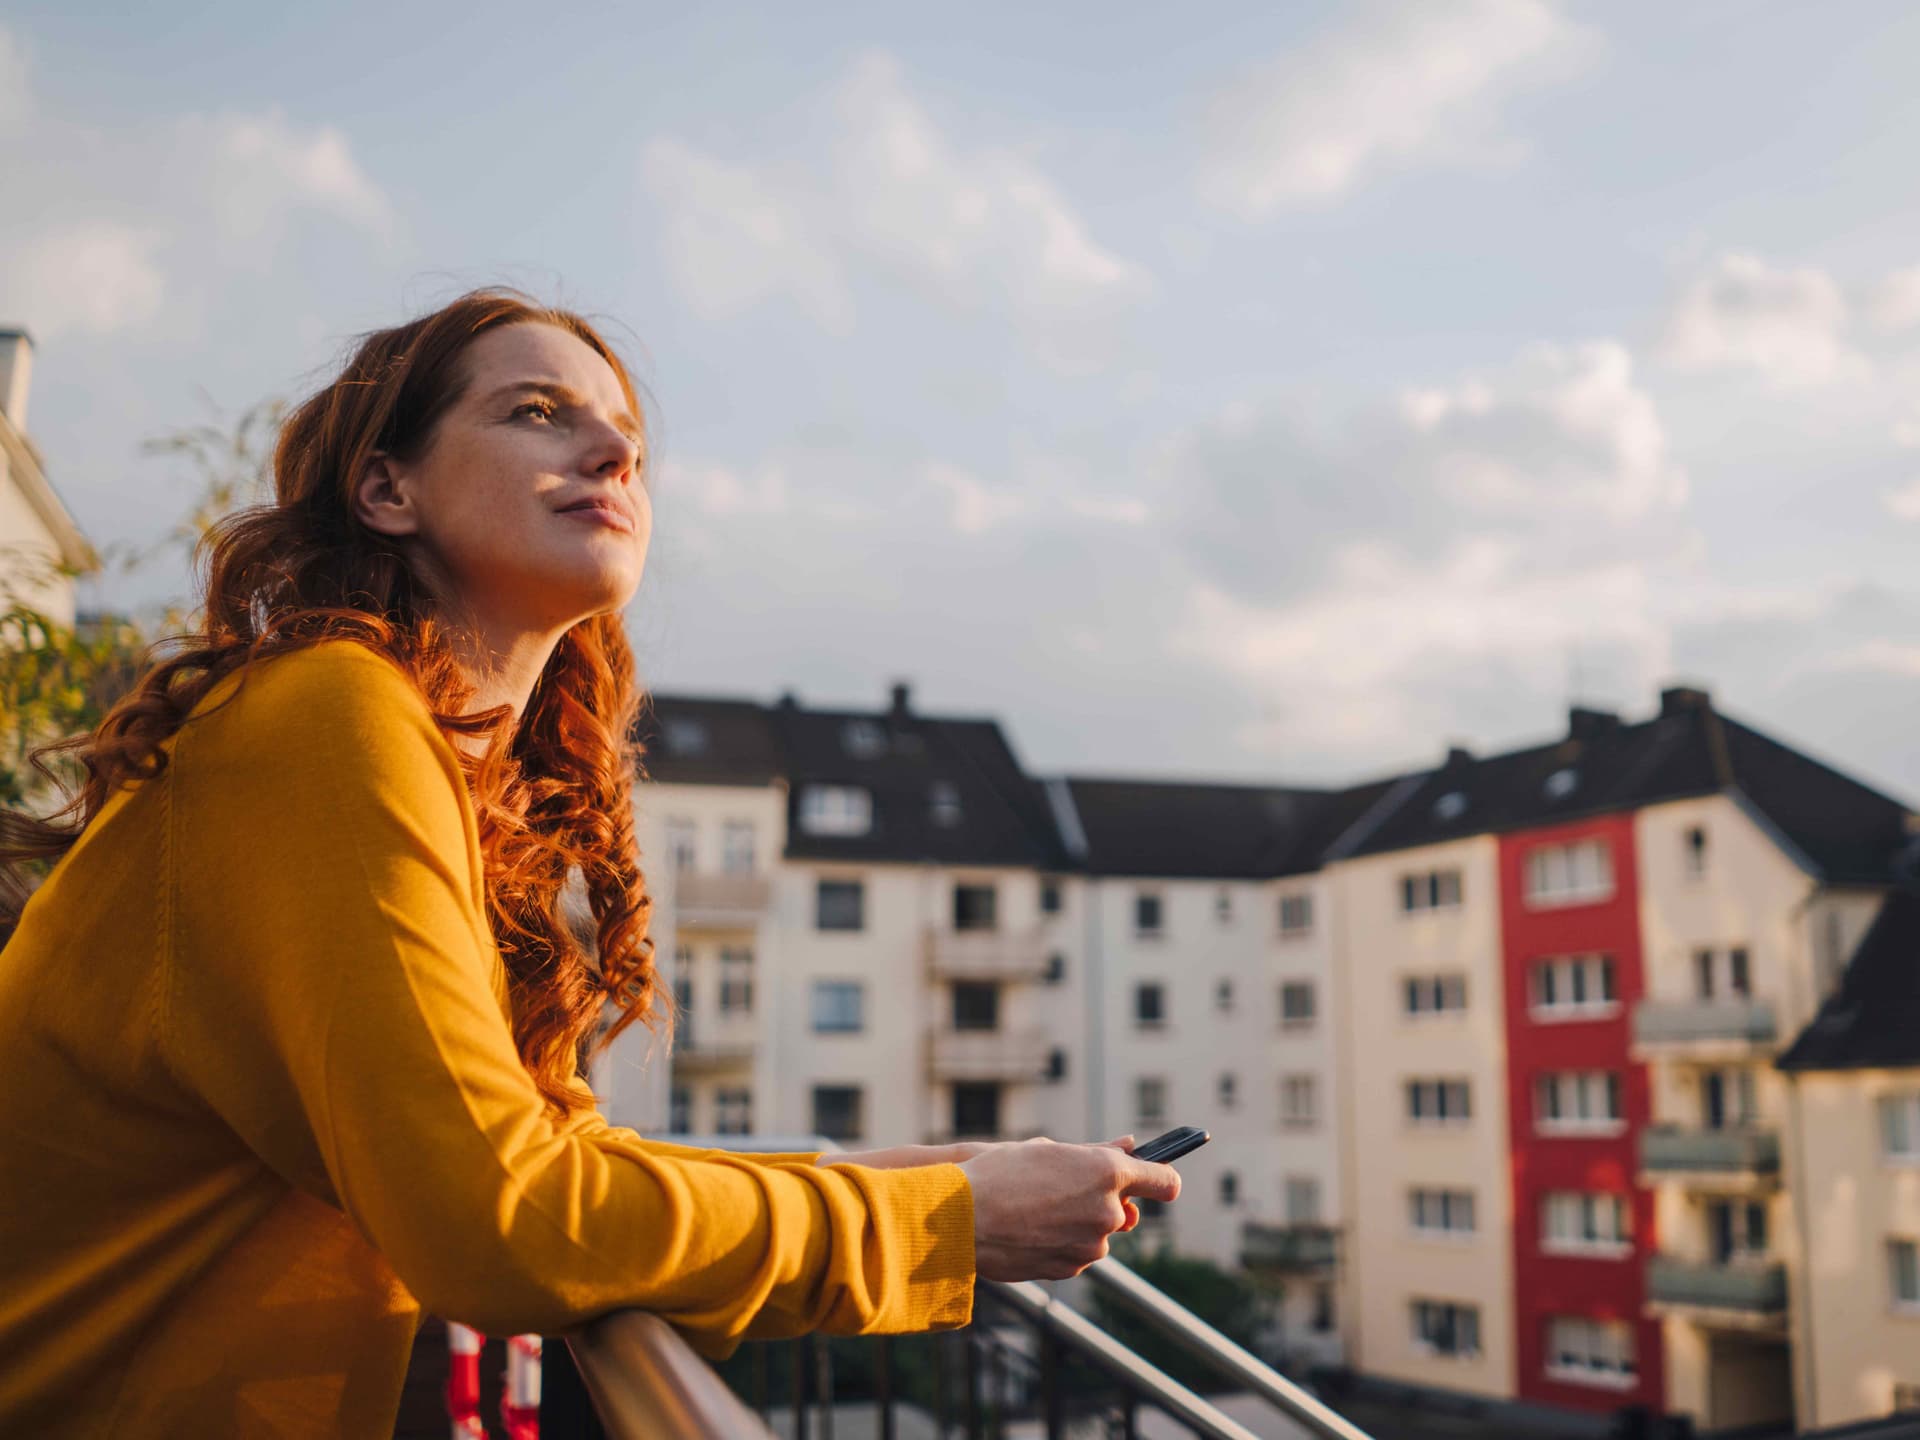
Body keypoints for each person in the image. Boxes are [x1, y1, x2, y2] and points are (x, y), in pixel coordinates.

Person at [0, 290, 1181, 1438]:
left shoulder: (427, 769)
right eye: (535, 413)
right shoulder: (326, 715)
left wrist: (911, 1176)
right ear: (385, 488)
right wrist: (943, 1224)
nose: (616, 447)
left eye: (626, 432)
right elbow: (506, 1218)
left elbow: (538, 1161)